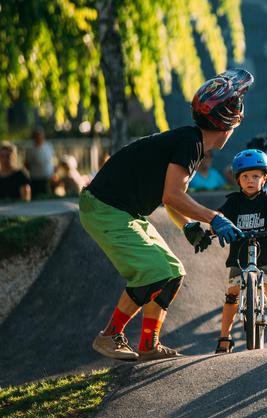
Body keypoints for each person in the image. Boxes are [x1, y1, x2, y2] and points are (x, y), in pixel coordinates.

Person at [80, 69, 254, 361]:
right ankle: (110, 335)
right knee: (154, 272)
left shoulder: (190, 142)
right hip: (106, 208)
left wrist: (187, 227)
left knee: (173, 272)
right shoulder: (192, 143)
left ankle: (149, 344)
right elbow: (171, 195)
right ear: (228, 123)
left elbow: (171, 194)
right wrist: (215, 218)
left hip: (124, 211)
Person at [214, 149, 267, 353]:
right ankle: (224, 337)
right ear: (238, 179)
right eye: (245, 176)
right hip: (240, 254)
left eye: (255, 176)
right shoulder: (234, 201)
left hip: (266, 252)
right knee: (231, 295)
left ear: (264, 178)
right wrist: (213, 226)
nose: (250, 180)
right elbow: (218, 215)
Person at [24, 127, 54, 197]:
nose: (39, 137)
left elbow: (51, 160)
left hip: (47, 177)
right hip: (35, 178)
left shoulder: (48, 146)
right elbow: (26, 164)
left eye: (40, 135)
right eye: (37, 136)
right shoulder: (30, 150)